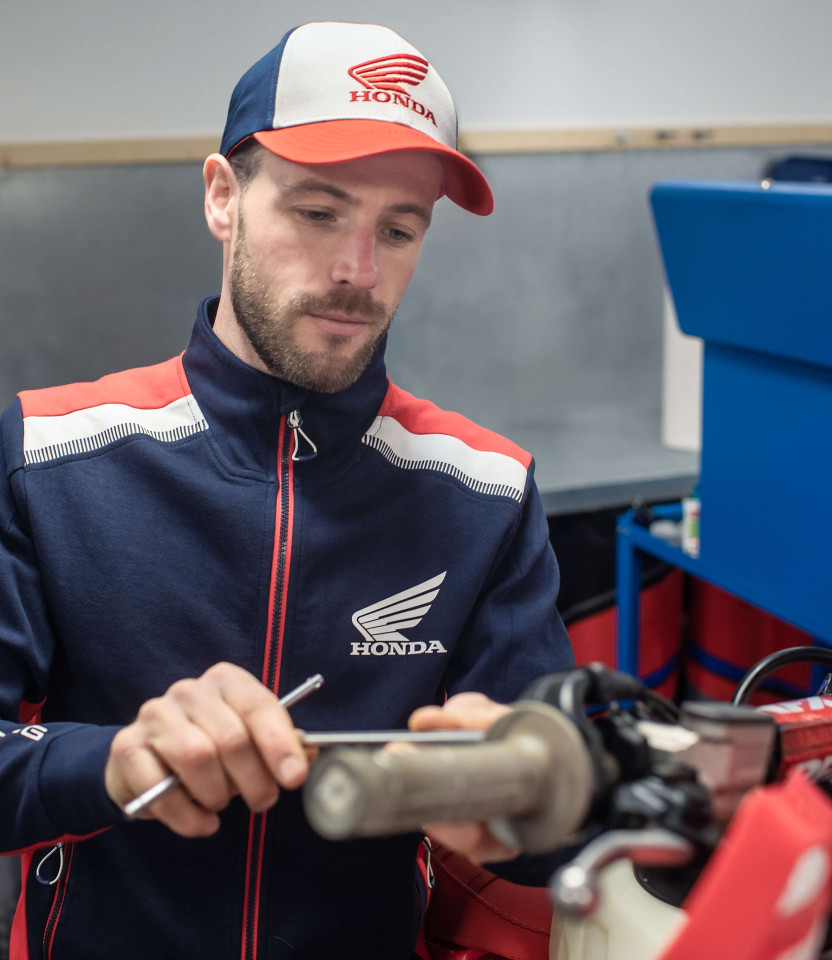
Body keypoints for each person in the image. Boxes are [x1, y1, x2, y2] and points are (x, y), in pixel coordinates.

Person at [0, 21, 573, 959]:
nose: (357, 271)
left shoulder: (486, 491)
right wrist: (114, 760)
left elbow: (568, 842)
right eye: (318, 212)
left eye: (399, 230)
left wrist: (532, 803)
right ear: (223, 198)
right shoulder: (50, 455)